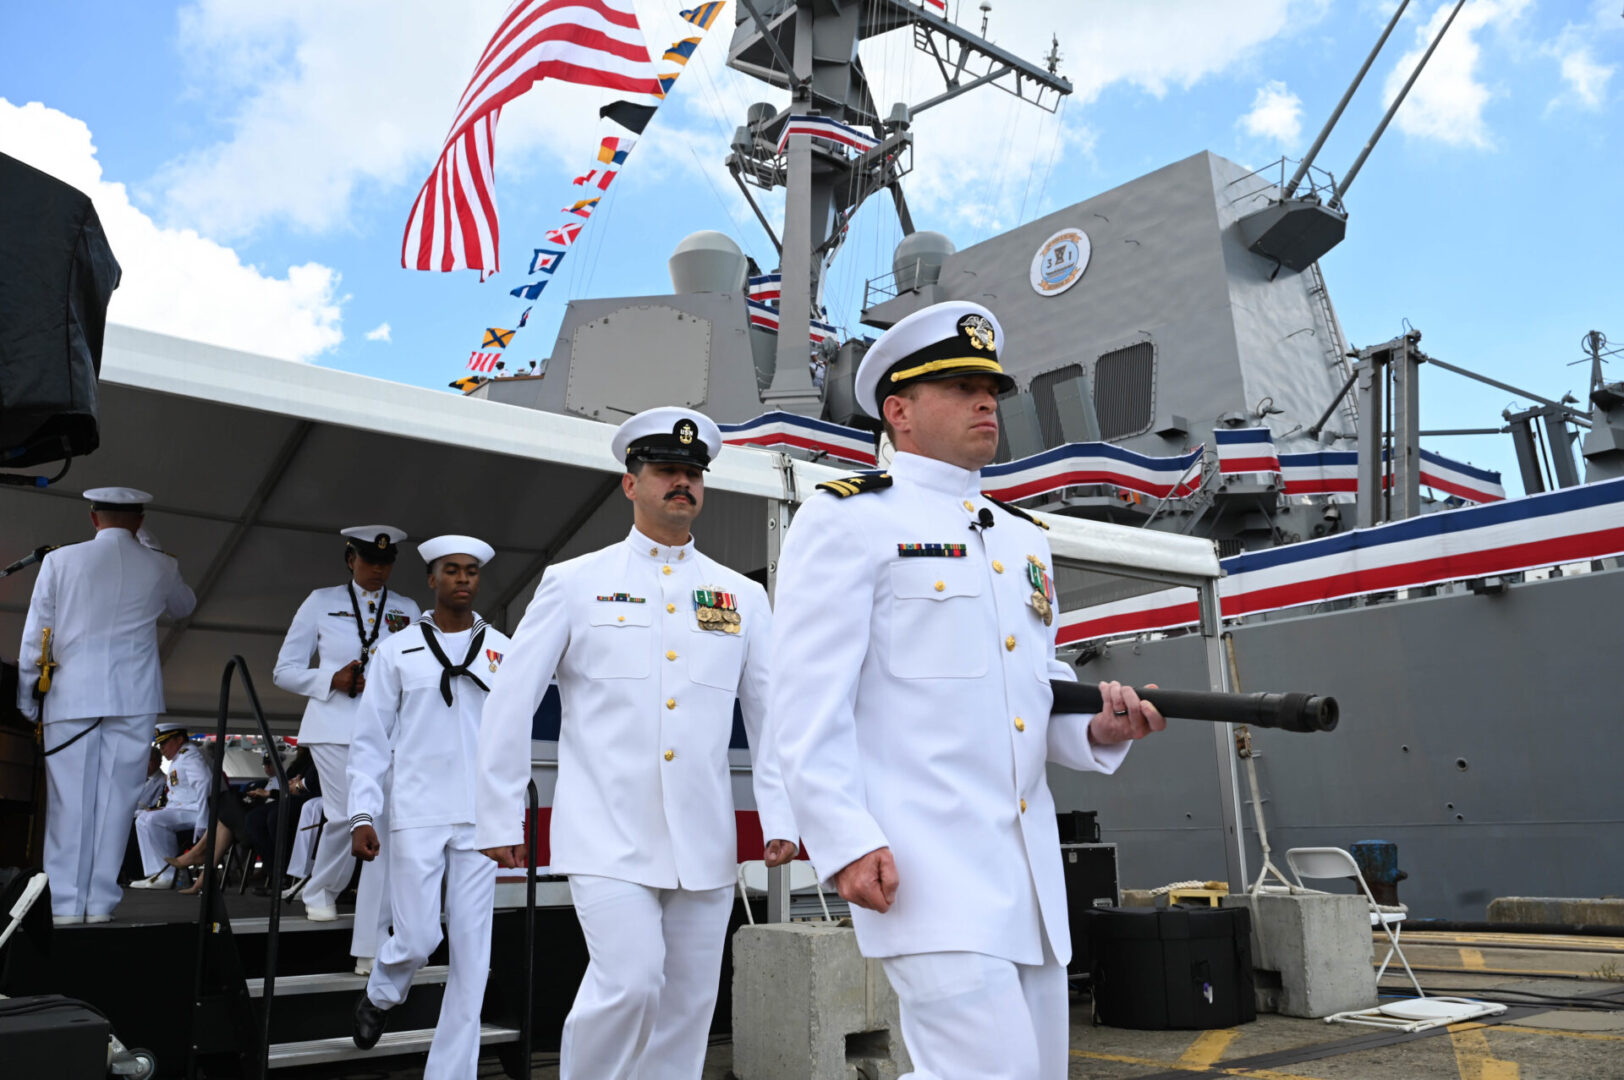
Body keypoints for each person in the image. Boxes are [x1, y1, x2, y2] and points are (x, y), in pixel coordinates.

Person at [769, 301, 1166, 1080]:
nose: (987, 400)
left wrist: (1095, 731)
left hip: (1027, 877)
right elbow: (804, 700)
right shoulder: (848, 520)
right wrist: (844, 839)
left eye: (991, 386)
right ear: (899, 411)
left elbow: (1032, 691)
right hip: (921, 865)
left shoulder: (1021, 539)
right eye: (958, 385)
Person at [475, 407, 798, 1080]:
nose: (682, 484)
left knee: (687, 1004)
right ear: (631, 483)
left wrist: (782, 815)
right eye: (666, 471)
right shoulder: (573, 582)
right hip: (607, 832)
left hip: (704, 843)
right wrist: (500, 811)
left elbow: (772, 715)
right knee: (631, 983)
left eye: (692, 474)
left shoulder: (740, 596)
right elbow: (510, 700)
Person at [348, 536, 510, 1077]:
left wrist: (511, 817)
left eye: (471, 572)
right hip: (416, 810)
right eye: (451, 570)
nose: (463, 579)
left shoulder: (505, 651)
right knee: (419, 935)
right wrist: (363, 815)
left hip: (482, 817)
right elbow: (369, 740)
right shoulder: (395, 651)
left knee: (473, 959)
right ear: (431, 579)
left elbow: (513, 741)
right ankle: (382, 991)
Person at [15, 487, 197, 924]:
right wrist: (151, 546)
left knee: (69, 804)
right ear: (139, 520)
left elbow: (37, 633)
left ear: (93, 518)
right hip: (133, 699)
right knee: (117, 803)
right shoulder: (161, 564)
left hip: (72, 697)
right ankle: (99, 904)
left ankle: (63, 904)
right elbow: (184, 606)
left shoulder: (61, 561)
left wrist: (27, 696)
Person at [273, 526, 420, 974]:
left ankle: (367, 927)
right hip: (334, 725)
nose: (378, 570)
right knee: (347, 815)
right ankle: (321, 888)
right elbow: (284, 670)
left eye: (386, 563)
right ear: (350, 560)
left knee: (381, 819)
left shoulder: (407, 609)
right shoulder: (320, 602)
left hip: (388, 729)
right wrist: (329, 679)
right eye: (369, 561)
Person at [131, 723, 211, 890]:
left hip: (196, 810)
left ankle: (169, 875)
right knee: (142, 818)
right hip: (183, 809)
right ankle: (156, 873)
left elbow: (204, 784)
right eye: (160, 744)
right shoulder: (178, 759)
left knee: (153, 820)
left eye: (164, 743)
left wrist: (204, 820)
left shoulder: (189, 755)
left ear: (179, 739)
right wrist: (163, 809)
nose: (162, 749)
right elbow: (179, 795)